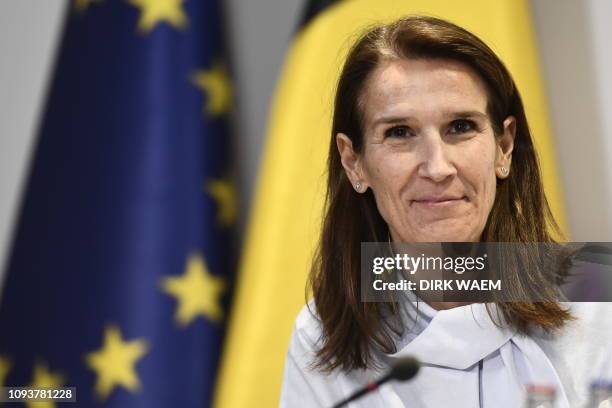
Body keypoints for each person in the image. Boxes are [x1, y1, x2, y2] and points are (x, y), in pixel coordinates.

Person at [279, 16, 612, 408]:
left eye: (460, 126)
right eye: (400, 132)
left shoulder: (598, 299)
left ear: (504, 147)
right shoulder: (322, 335)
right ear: (354, 162)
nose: (437, 167)